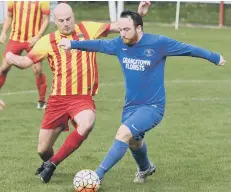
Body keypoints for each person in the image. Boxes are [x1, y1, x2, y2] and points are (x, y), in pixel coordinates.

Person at [58, 10, 226, 185]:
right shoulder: (119, 44)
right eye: (120, 29)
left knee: (123, 133)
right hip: (130, 106)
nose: (122, 34)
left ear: (138, 28)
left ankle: (95, 177)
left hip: (152, 107)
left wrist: (214, 57)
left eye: (126, 30)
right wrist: (72, 44)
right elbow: (99, 45)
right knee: (134, 143)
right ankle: (145, 168)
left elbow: (189, 50)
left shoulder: (158, 43)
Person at [5, 2, 152, 184]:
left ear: (73, 16)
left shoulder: (88, 29)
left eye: (69, 19)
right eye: (61, 20)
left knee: (87, 122)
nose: (66, 23)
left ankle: (52, 164)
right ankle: (48, 161)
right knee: (43, 150)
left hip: (82, 97)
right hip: (57, 100)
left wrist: (138, 14)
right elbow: (26, 62)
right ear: (55, 21)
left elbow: (118, 26)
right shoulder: (47, 41)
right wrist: (11, 58)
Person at [0, 1, 50, 109]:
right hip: (15, 39)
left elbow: (46, 20)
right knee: (3, 69)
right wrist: (3, 32)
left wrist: (38, 36)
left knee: (38, 70)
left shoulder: (43, 1)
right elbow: (9, 16)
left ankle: (41, 101)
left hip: (33, 40)